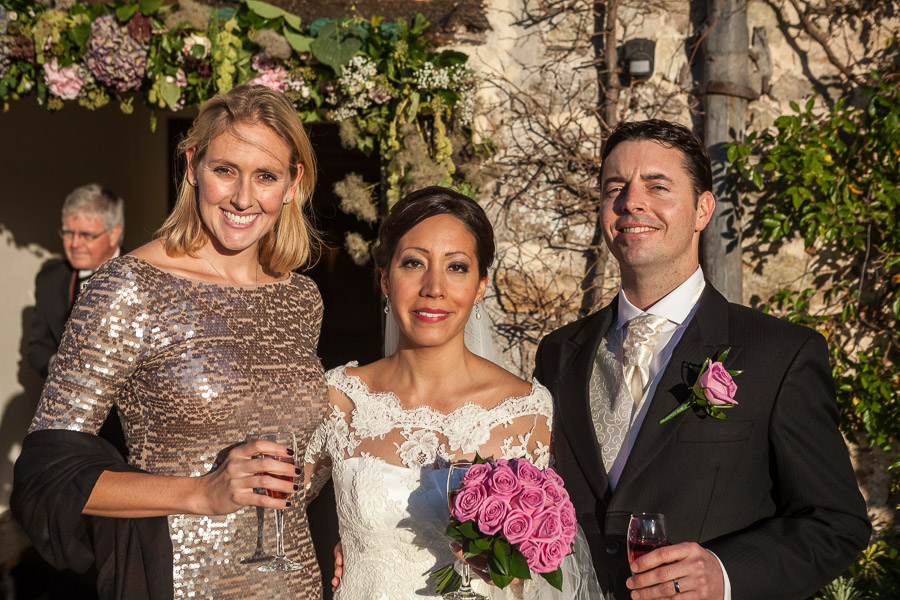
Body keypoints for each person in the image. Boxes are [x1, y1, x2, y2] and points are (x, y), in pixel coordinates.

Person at [12, 84, 327, 600]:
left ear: (293, 184)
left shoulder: (301, 298)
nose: (244, 198)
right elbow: (47, 476)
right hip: (179, 581)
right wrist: (201, 493)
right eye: (225, 170)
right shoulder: (130, 287)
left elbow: (297, 456)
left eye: (265, 176)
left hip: (295, 581)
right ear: (191, 167)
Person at [533, 119, 871, 599]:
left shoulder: (781, 354)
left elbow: (837, 523)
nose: (632, 201)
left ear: (702, 209)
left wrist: (725, 573)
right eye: (616, 187)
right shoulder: (558, 353)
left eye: (658, 186)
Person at [305, 186, 600, 599]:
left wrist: (512, 573)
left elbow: (543, 574)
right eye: (413, 263)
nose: (434, 287)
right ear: (384, 279)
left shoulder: (528, 412)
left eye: (457, 267)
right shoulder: (339, 398)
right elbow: (270, 512)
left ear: (480, 286)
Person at [27, 183, 124, 378]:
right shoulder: (49, 281)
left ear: (113, 234)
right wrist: (54, 364)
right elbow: (37, 348)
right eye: (68, 233)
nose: (74, 244)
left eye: (86, 235)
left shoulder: (144, 277)